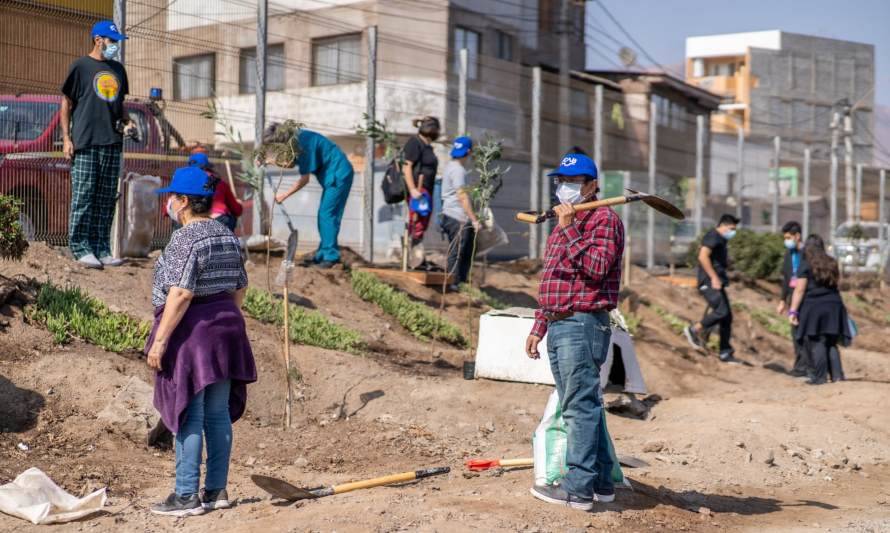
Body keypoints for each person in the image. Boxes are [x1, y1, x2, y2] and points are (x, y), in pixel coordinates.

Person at [146, 166, 257, 517]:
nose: (170, 205)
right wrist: (224, 317)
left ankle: (185, 495)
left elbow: (180, 293)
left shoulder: (185, 239)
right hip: (226, 330)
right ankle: (216, 490)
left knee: (189, 413)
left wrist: (161, 341)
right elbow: (240, 286)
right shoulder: (226, 235)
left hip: (193, 334)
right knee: (217, 413)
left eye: (172, 198)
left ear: (182, 202)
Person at [524, 153, 624, 510]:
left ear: (592, 186)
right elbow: (552, 278)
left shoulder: (603, 219)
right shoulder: (566, 221)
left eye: (574, 182)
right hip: (561, 323)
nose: (564, 188)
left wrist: (569, 229)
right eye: (561, 181)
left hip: (583, 322)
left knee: (579, 406)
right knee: (583, 404)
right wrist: (540, 324)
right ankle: (600, 483)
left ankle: (577, 488)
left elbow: (597, 268)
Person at [61, 20, 134, 269]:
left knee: (105, 198)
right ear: (97, 40)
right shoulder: (80, 67)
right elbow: (66, 104)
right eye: (112, 41)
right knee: (84, 195)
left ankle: (101, 248)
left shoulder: (118, 70)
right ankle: (80, 247)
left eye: (116, 42)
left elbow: (120, 105)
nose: (115, 46)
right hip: (85, 141)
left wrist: (128, 122)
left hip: (112, 142)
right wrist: (67, 139)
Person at [267, 125, 354, 268]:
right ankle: (322, 254)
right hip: (335, 174)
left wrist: (284, 195)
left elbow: (304, 179)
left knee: (327, 215)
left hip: (339, 174)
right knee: (325, 215)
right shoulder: (297, 141)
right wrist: (271, 161)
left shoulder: (304, 143)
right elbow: (290, 163)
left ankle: (330, 257)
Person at [788, 235, 850, 385]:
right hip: (835, 306)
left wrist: (793, 311)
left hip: (814, 307)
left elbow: (800, 290)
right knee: (831, 341)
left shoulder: (806, 264)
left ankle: (820, 377)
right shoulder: (832, 262)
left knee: (817, 341)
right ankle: (837, 376)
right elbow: (835, 284)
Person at [683, 214, 741, 363]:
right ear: (723, 225)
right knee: (721, 311)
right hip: (709, 282)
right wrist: (714, 277)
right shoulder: (713, 236)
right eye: (731, 229)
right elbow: (703, 256)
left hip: (717, 282)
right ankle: (694, 330)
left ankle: (725, 352)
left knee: (727, 317)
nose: (733, 232)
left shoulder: (721, 240)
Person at [440, 136, 481, 290]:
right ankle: (453, 284)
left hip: (449, 214)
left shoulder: (450, 166)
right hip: (457, 217)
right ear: (469, 151)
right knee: (457, 251)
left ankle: (460, 282)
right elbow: (462, 196)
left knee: (466, 249)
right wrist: (474, 219)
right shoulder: (458, 170)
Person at [777, 221, 809, 377]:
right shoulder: (788, 254)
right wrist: (783, 300)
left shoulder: (808, 253)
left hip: (807, 298)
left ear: (798, 236)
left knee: (806, 333)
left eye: (789, 237)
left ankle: (808, 366)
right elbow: (786, 279)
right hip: (793, 297)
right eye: (785, 238)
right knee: (795, 332)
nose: (787, 241)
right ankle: (800, 366)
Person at [402, 116, 441, 246]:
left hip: (426, 191)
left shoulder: (427, 146)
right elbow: (406, 166)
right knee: (417, 222)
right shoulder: (415, 142)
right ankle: (410, 252)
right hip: (418, 189)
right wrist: (412, 189)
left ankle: (415, 252)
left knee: (423, 222)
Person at [189, 151, 243, 232]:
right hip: (221, 219)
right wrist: (239, 204)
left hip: (195, 221)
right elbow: (236, 209)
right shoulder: (221, 184)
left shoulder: (186, 184)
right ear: (208, 167)